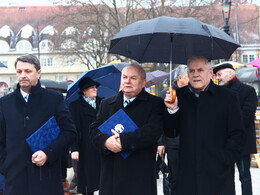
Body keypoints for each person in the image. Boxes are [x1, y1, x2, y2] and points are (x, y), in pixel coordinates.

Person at [164, 56, 245, 195]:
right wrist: (172, 110)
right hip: (188, 172)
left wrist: (225, 158)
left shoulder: (228, 97)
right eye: (191, 71)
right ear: (187, 74)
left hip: (218, 172)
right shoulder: (178, 97)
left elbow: (237, 133)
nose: (196, 74)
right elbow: (171, 132)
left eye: (200, 70)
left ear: (210, 72)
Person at [0, 54, 77, 195]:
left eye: (28, 71)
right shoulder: (4, 103)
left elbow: (70, 133)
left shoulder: (54, 99)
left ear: (39, 73)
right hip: (15, 180)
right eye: (19, 71)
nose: (23, 75)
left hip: (46, 176)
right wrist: (5, 166)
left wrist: (48, 153)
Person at [89, 64, 165, 195]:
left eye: (133, 78)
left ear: (143, 82)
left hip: (140, 175)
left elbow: (152, 132)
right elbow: (93, 130)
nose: (127, 81)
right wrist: (106, 142)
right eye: (124, 77)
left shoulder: (155, 103)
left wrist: (123, 140)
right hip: (112, 174)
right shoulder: (107, 103)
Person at [213, 63, 257, 195]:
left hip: (241, 143)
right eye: (216, 75)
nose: (217, 78)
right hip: (223, 143)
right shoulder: (217, 92)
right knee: (225, 176)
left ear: (231, 73)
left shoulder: (247, 91)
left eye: (219, 75)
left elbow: (246, 116)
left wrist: (224, 123)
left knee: (244, 176)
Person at [158, 65, 189, 195]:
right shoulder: (166, 94)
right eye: (189, 76)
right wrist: (160, 142)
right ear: (180, 77)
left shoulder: (192, 93)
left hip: (189, 142)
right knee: (174, 176)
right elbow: (158, 120)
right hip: (172, 143)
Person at [69, 77, 101, 195]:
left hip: (103, 144)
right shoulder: (75, 106)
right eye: (92, 87)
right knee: (88, 180)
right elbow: (74, 129)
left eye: (95, 87)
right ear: (84, 90)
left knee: (104, 178)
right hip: (86, 146)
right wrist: (75, 148)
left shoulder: (103, 102)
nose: (95, 89)